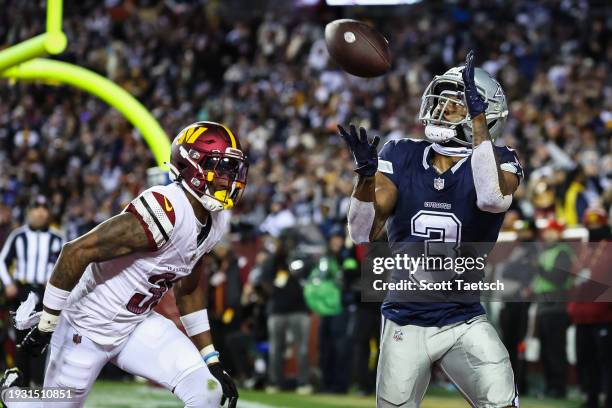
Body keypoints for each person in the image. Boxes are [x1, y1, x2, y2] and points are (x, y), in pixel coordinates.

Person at [1, 121, 247, 408]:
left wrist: (211, 358)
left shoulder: (216, 219)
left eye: (232, 169)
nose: (228, 179)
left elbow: (189, 289)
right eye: (221, 168)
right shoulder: (167, 210)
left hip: (136, 324)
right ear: (192, 166)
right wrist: (47, 324)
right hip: (86, 328)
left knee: (207, 391)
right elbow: (75, 252)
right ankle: (14, 396)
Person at [339, 51, 522, 407]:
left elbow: (491, 198)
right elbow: (362, 233)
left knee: (502, 402)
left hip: (463, 318)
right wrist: (363, 180)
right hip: (404, 320)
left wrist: (479, 123)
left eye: (455, 104)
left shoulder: (501, 159)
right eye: (441, 101)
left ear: (479, 113)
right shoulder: (402, 153)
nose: (441, 110)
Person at [0, 196, 63, 386]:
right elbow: (2, 260)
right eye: (36, 207)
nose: (40, 212)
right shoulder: (18, 235)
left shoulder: (57, 238)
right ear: (29, 211)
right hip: (22, 291)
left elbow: (67, 265)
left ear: (49, 213)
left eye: (44, 208)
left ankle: (39, 383)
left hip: (46, 294)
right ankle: (21, 383)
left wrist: (57, 284)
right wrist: (8, 284)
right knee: (20, 339)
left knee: (42, 337)